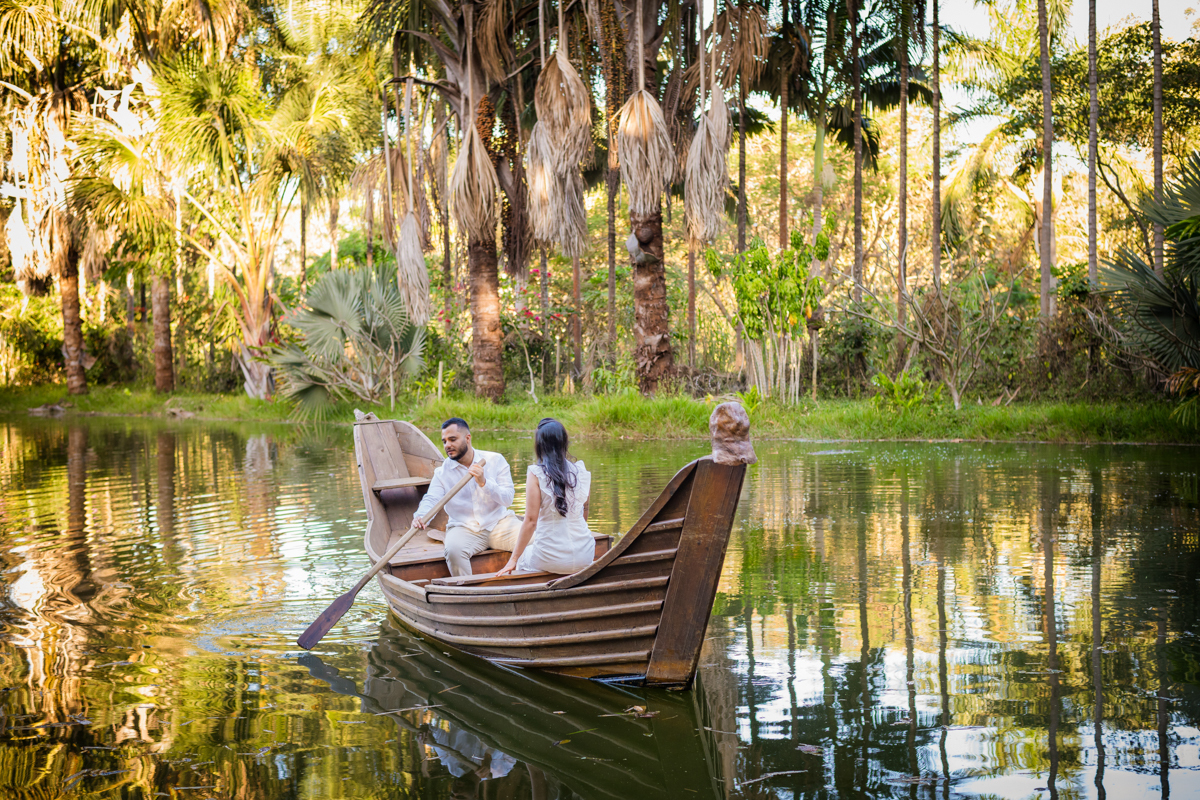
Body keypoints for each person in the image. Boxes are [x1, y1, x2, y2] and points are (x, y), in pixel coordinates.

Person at [414, 418, 521, 577]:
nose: (447, 445)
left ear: (467, 438)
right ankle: (467, 592)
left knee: (534, 541)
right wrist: (421, 517)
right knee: (453, 551)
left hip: (499, 523)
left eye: (452, 439)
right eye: (444, 441)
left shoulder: (495, 460)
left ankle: (527, 585)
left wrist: (484, 483)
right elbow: (431, 499)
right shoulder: (442, 472)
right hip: (464, 528)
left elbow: (508, 499)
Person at [497, 418, 595, 577]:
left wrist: (513, 559)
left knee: (523, 558)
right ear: (564, 442)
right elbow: (585, 508)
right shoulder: (581, 471)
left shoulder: (536, 473)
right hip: (586, 553)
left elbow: (530, 521)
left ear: (540, 445)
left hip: (550, 557)